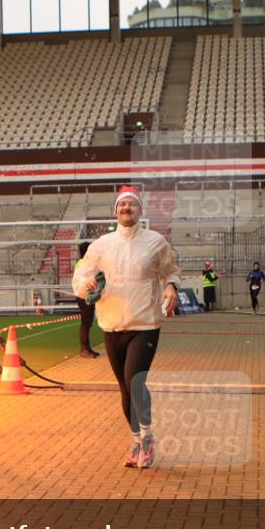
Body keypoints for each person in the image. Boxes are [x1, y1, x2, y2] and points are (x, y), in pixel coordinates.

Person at [72, 186, 181, 470]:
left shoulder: (156, 242)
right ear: (115, 210)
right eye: (122, 205)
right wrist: (87, 285)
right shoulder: (100, 246)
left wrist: (171, 286)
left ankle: (147, 437)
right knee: (124, 388)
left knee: (135, 379)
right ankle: (134, 441)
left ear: (140, 210)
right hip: (111, 325)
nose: (126, 209)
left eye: (132, 205)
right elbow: (81, 275)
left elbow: (171, 271)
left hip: (145, 323)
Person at [73, 241, 100, 358]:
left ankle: (87, 348)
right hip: (85, 295)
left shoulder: (80, 262)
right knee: (86, 323)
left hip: (83, 295)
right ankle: (84, 349)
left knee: (87, 323)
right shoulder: (85, 263)